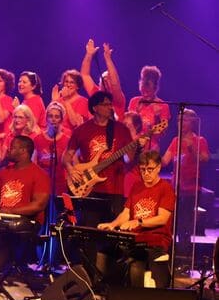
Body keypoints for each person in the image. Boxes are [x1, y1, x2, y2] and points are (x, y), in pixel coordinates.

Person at [97, 151, 174, 288]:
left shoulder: (166, 188)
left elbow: (162, 218)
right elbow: (126, 213)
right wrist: (113, 224)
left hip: (156, 240)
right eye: (142, 170)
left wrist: (138, 222)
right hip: (135, 238)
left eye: (150, 169)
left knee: (135, 260)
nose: (146, 173)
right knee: (104, 252)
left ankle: (134, 299)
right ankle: (101, 295)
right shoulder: (137, 186)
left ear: (158, 167)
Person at [63, 90, 139, 221]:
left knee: (111, 233)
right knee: (89, 229)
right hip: (88, 188)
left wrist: (136, 145)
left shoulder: (121, 129)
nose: (110, 107)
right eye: (105, 104)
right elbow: (66, 156)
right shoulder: (81, 130)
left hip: (114, 190)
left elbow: (128, 159)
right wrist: (71, 170)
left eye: (110, 104)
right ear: (95, 108)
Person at [0, 135, 51, 281]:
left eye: (13, 147)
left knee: (10, 233)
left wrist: (10, 211)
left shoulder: (40, 174)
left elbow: (38, 205)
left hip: (26, 221)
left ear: (24, 150)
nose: (9, 149)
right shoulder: (3, 172)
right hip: (2, 217)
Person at [162, 109, 210, 265]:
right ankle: (170, 257)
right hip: (175, 188)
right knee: (172, 223)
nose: (181, 123)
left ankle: (183, 260)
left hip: (190, 191)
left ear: (192, 122)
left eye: (184, 120)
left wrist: (192, 148)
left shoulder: (200, 140)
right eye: (179, 120)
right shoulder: (176, 140)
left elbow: (205, 159)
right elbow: (165, 161)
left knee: (184, 226)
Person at [80, 39, 125, 121]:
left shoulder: (117, 99)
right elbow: (84, 75)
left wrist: (108, 59)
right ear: (100, 82)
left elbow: (115, 83)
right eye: (104, 79)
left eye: (109, 80)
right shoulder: (96, 93)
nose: (107, 82)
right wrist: (89, 55)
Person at [128, 65, 170, 152]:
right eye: (143, 91)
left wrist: (157, 117)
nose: (145, 94)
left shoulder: (162, 106)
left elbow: (162, 131)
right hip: (131, 146)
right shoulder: (134, 101)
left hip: (150, 148)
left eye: (148, 91)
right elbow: (128, 125)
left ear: (155, 88)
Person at [33, 102, 70, 195]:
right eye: (50, 116)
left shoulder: (67, 140)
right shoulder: (38, 139)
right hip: (42, 183)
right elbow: (33, 163)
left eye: (57, 117)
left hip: (60, 184)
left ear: (61, 120)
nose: (53, 119)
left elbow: (72, 163)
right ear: (46, 118)